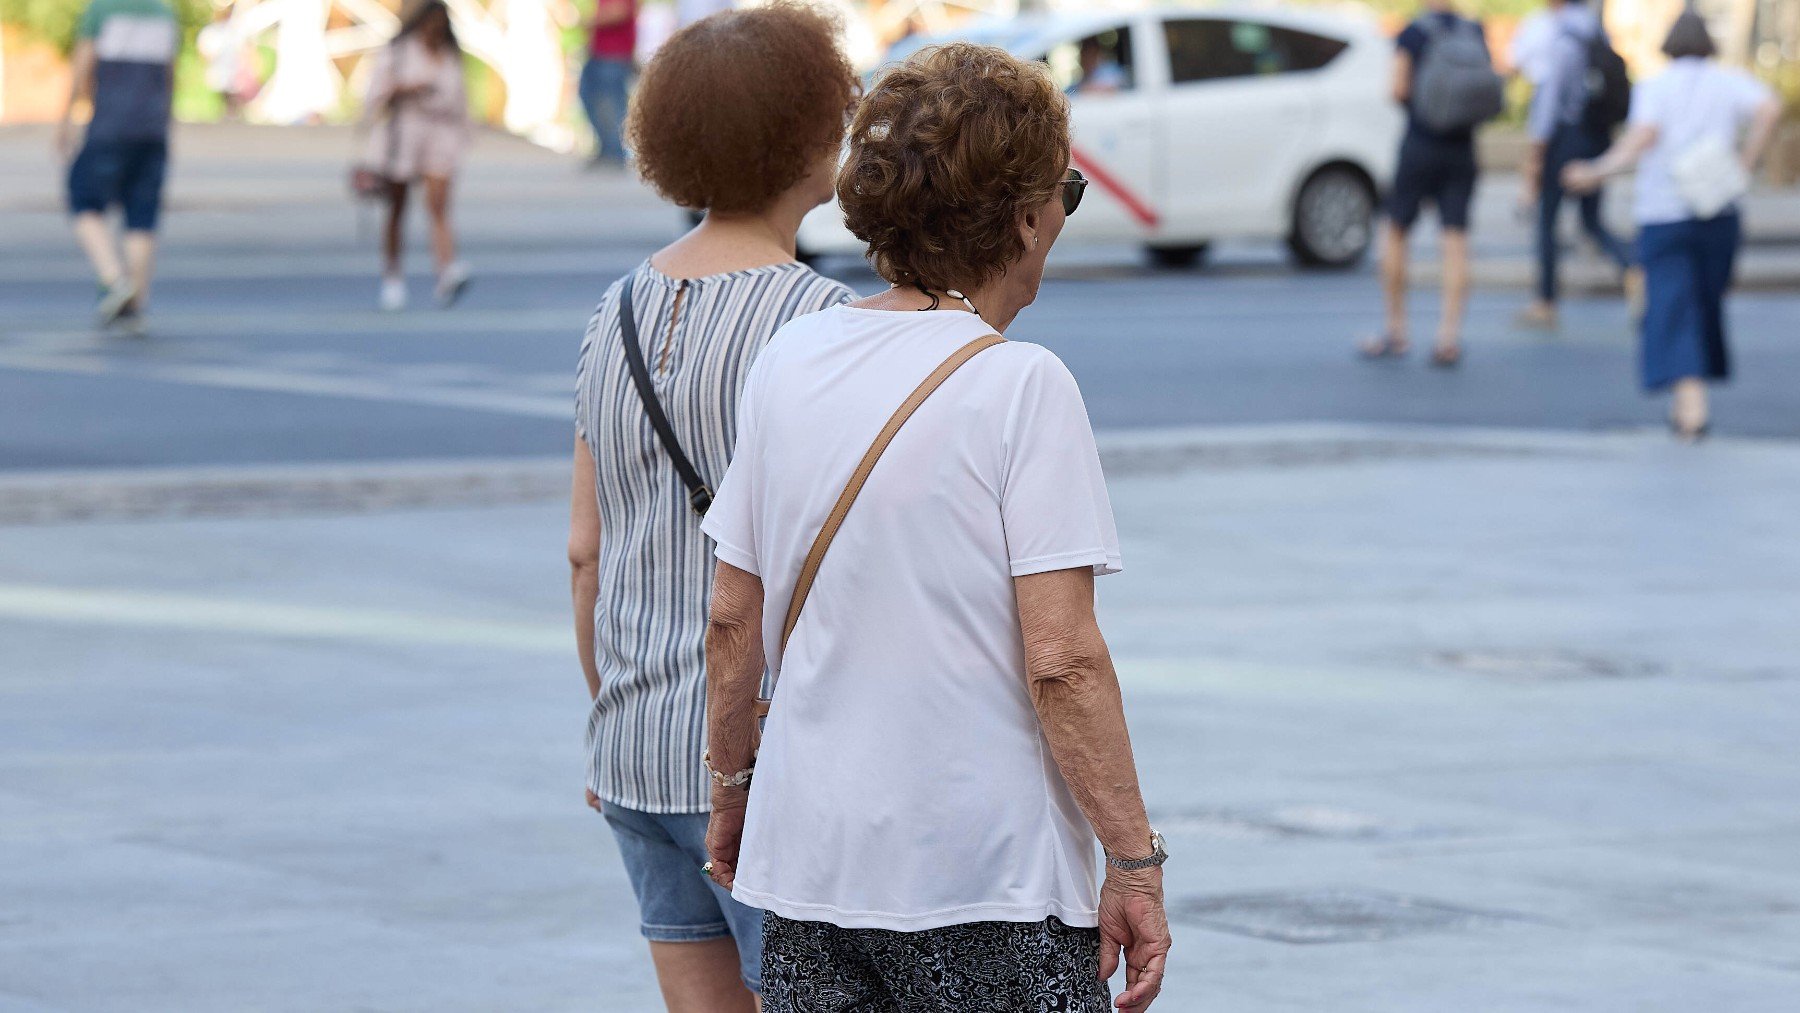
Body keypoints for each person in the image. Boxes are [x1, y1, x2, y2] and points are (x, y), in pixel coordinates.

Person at [700, 43, 1171, 1013]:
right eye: (1064, 196)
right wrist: (1133, 858)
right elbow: (1063, 661)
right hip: (984, 877)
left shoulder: (793, 358)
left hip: (811, 867)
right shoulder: (1021, 384)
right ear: (1024, 215)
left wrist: (734, 781)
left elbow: (731, 618)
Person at [566, 5, 860, 1010]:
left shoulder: (614, 311)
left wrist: (612, 707)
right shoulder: (825, 323)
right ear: (812, 141)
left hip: (635, 749)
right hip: (763, 765)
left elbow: (583, 549)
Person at [1562, 12, 1781, 441]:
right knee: (1703, 303)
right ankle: (1688, 405)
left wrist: (1596, 170)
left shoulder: (1656, 87)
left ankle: (1691, 407)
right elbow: (1770, 110)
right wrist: (1745, 161)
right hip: (1718, 209)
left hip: (1665, 213)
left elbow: (1641, 138)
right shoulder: (1727, 80)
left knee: (1672, 306)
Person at [1361, 0, 1489, 367]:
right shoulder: (1473, 31)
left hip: (1420, 143)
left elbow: (1397, 88)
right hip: (1462, 148)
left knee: (1397, 230)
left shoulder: (1415, 33)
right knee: (1455, 241)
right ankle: (1448, 336)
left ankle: (1396, 330)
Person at [57, 0, 179, 336]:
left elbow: (83, 64)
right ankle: (135, 306)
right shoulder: (163, 12)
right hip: (152, 128)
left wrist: (67, 118)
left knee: (83, 197)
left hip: (111, 125)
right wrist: (167, 121)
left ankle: (114, 279)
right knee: (142, 214)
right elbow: (170, 73)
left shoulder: (102, 9)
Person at [1517, 0, 1636, 329]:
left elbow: (1548, 104)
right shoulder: (1597, 32)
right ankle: (1633, 263)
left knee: (1546, 221)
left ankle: (1545, 302)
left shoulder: (1564, 40)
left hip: (1566, 140)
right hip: (1598, 138)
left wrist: (1535, 157)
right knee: (1591, 221)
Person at [362, 0, 472, 312]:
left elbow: (460, 101)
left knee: (438, 205)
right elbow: (374, 98)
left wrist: (463, 139)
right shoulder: (399, 51)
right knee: (397, 208)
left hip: (440, 136)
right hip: (404, 136)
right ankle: (392, 276)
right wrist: (405, 89)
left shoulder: (449, 55)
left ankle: (446, 269)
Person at [579, 0, 637, 167]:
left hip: (614, 55)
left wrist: (588, 21)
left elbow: (619, 12)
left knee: (611, 104)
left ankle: (615, 152)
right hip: (599, 53)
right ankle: (606, 149)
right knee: (590, 97)